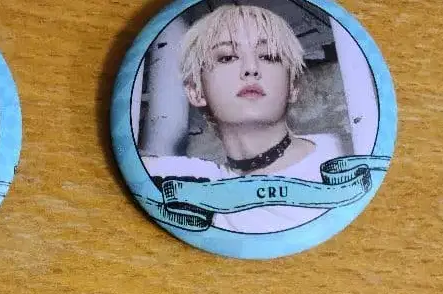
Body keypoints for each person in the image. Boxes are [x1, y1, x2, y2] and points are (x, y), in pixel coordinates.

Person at [142, 4, 344, 234]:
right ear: (196, 91)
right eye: (227, 57)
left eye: (268, 56)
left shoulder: (345, 159)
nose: (251, 69)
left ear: (293, 86)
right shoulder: (202, 183)